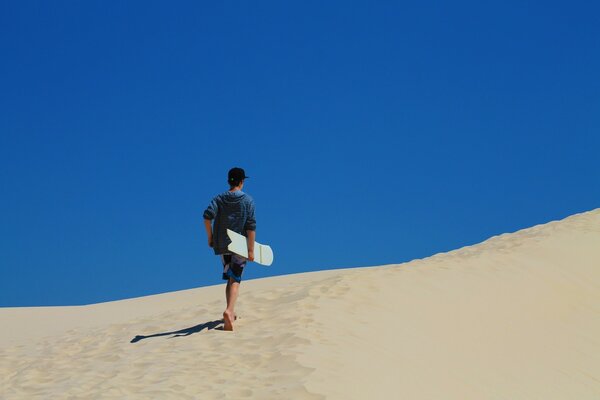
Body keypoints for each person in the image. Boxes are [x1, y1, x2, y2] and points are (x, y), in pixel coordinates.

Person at [203, 167, 256, 331]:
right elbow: (250, 226)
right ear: (242, 181)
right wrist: (251, 250)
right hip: (239, 246)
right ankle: (229, 310)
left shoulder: (219, 198)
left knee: (230, 277)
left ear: (228, 181)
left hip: (223, 245)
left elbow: (207, 216)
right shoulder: (248, 200)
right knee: (236, 280)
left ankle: (229, 315)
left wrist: (210, 237)